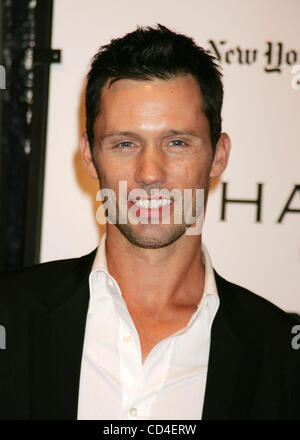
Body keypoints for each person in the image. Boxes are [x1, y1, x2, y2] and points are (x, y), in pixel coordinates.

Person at [0, 24, 299, 420]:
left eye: (177, 142)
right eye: (126, 143)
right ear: (90, 155)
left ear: (219, 155)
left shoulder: (282, 355)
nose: (150, 172)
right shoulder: (9, 316)